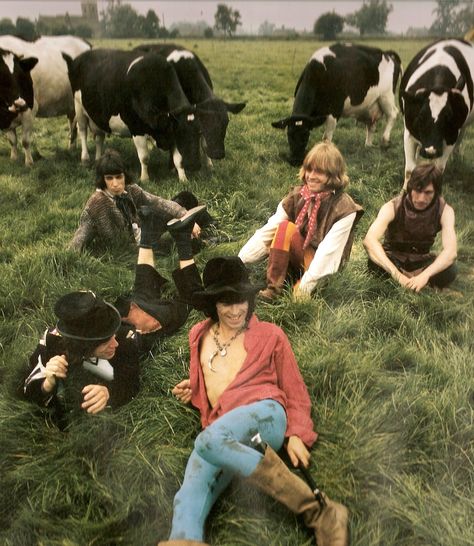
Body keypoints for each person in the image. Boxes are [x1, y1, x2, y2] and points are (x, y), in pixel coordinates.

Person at [159, 256, 349, 546]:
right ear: (213, 304)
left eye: (242, 301)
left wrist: (296, 434)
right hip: (223, 428)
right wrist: (194, 389)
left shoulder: (270, 335)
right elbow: (211, 382)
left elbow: (295, 390)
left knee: (207, 442)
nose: (236, 310)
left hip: (265, 413)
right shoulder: (198, 335)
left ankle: (319, 511)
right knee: (189, 493)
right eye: (226, 302)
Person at [23, 206, 207, 427]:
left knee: (191, 301)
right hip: (129, 306)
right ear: (83, 344)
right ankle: (151, 229)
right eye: (105, 341)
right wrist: (47, 382)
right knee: (142, 290)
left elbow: (130, 382)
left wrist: (109, 392)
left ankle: (182, 240)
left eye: (111, 335)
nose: (114, 343)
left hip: (148, 321)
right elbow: (27, 387)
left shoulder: (124, 337)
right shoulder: (52, 341)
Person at [238, 142, 363, 300]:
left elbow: (328, 253)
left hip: (325, 271)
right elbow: (268, 230)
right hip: (298, 259)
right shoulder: (298, 195)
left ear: (333, 175)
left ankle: (294, 286)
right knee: (283, 227)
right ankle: (273, 289)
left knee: (287, 231)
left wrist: (303, 289)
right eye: (309, 169)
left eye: (319, 172)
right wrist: (239, 261)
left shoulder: (345, 207)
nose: (310, 176)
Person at [69, 148, 211, 252]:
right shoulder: (96, 204)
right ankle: (202, 239)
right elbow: (77, 243)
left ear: (125, 175)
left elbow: (157, 201)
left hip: (143, 231)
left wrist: (183, 215)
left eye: (119, 177)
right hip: (135, 249)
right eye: (109, 178)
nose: (115, 183)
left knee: (185, 198)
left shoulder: (130, 189)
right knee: (179, 240)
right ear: (102, 179)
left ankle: (203, 227)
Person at [363, 164, 457, 292]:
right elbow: (369, 240)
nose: (421, 198)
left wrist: (425, 275)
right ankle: (412, 282)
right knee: (374, 264)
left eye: (428, 192)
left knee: (450, 270)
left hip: (421, 262)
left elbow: (451, 251)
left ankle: (419, 281)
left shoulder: (445, 211)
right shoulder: (392, 207)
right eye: (417, 191)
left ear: (436, 192)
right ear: (410, 187)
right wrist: (397, 275)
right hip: (394, 259)